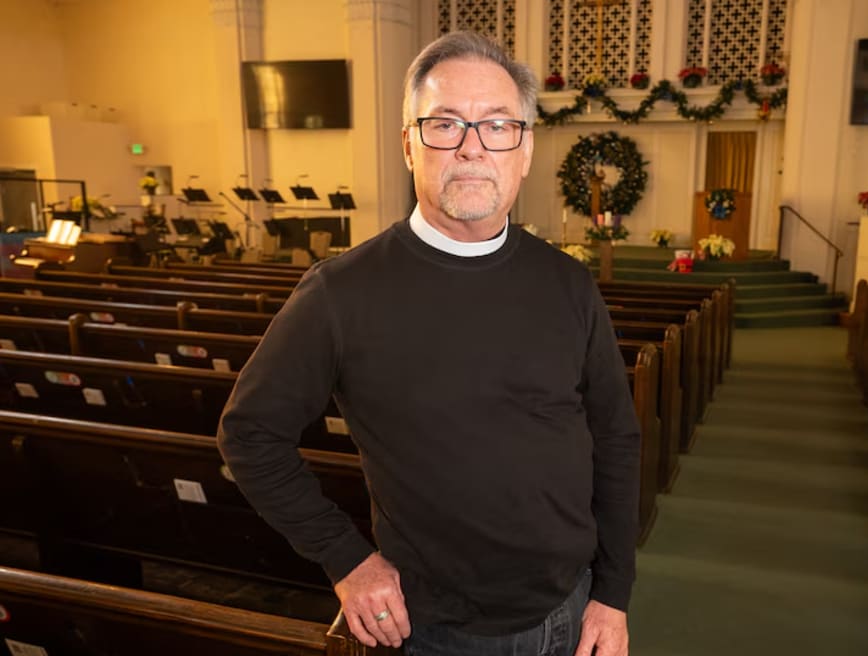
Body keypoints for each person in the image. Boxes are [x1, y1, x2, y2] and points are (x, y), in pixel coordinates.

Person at [217, 30, 640, 656]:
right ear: (409, 146)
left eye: (498, 126)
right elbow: (249, 435)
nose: (472, 148)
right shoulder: (341, 292)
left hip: (573, 611)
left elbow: (615, 439)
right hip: (439, 630)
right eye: (445, 124)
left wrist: (614, 593)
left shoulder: (568, 284)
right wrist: (345, 559)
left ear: (523, 151)